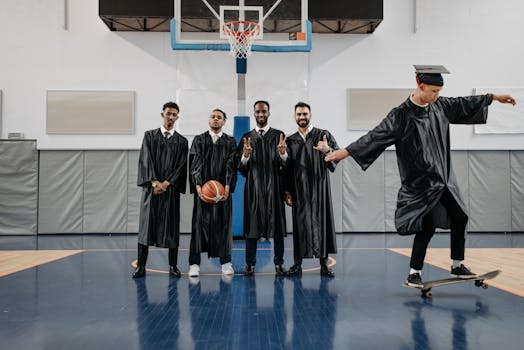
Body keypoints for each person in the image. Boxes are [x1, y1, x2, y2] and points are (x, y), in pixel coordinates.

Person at [325, 65, 517, 286]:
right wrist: (342, 153)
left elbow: (464, 103)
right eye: (433, 91)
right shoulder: (401, 115)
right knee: (426, 227)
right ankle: (414, 273)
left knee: (460, 217)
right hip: (420, 185)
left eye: (439, 91)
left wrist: (494, 97)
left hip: (443, 180)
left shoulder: (441, 106)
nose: (437, 95)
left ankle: (456, 266)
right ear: (421, 85)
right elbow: (374, 137)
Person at [133, 101, 188, 278]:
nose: (171, 117)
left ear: (178, 117)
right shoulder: (149, 136)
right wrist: (155, 183)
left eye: (174, 114)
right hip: (151, 190)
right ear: (162, 114)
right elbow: (145, 160)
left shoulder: (182, 141)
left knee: (171, 228)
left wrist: (167, 183)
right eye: (168, 113)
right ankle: (141, 266)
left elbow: (181, 166)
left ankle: (173, 266)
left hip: (170, 191)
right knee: (146, 228)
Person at [284, 102, 339, 277]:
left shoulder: (323, 135)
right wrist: (287, 191)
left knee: (321, 223)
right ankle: (297, 264)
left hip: (319, 188)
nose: (302, 117)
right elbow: (286, 168)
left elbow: (337, 155)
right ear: (294, 116)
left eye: (305, 114)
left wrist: (328, 150)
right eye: (299, 114)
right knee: (299, 225)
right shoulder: (290, 140)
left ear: (310, 115)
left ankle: (324, 264)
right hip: (298, 189)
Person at [237, 100, 288, 276]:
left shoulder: (279, 135)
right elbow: (241, 169)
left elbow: (286, 166)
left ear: (269, 113)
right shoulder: (247, 137)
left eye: (264, 111)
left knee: (278, 228)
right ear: (254, 113)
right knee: (252, 227)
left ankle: (279, 263)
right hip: (254, 189)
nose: (261, 115)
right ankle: (250, 264)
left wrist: (283, 153)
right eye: (258, 112)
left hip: (275, 188)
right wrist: (245, 155)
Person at [187, 109, 237, 277]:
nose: (215, 119)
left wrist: (228, 186)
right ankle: (194, 264)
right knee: (198, 228)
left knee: (224, 227)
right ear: (209, 120)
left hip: (223, 193)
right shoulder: (199, 140)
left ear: (224, 122)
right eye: (213, 117)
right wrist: (199, 186)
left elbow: (231, 164)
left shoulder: (230, 141)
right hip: (204, 193)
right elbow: (195, 164)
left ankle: (226, 263)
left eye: (219, 117)